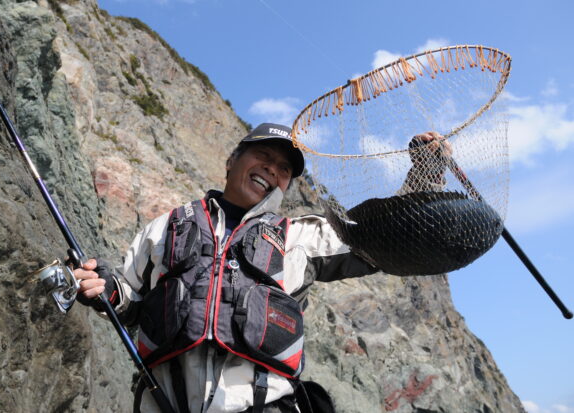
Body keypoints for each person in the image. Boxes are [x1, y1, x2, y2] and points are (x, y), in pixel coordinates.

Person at [73, 123, 450, 413]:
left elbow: (381, 236)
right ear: (231, 162)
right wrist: (105, 287)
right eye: (263, 156)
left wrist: (423, 177)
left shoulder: (301, 238)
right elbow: (128, 298)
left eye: (284, 168)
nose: (272, 170)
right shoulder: (166, 227)